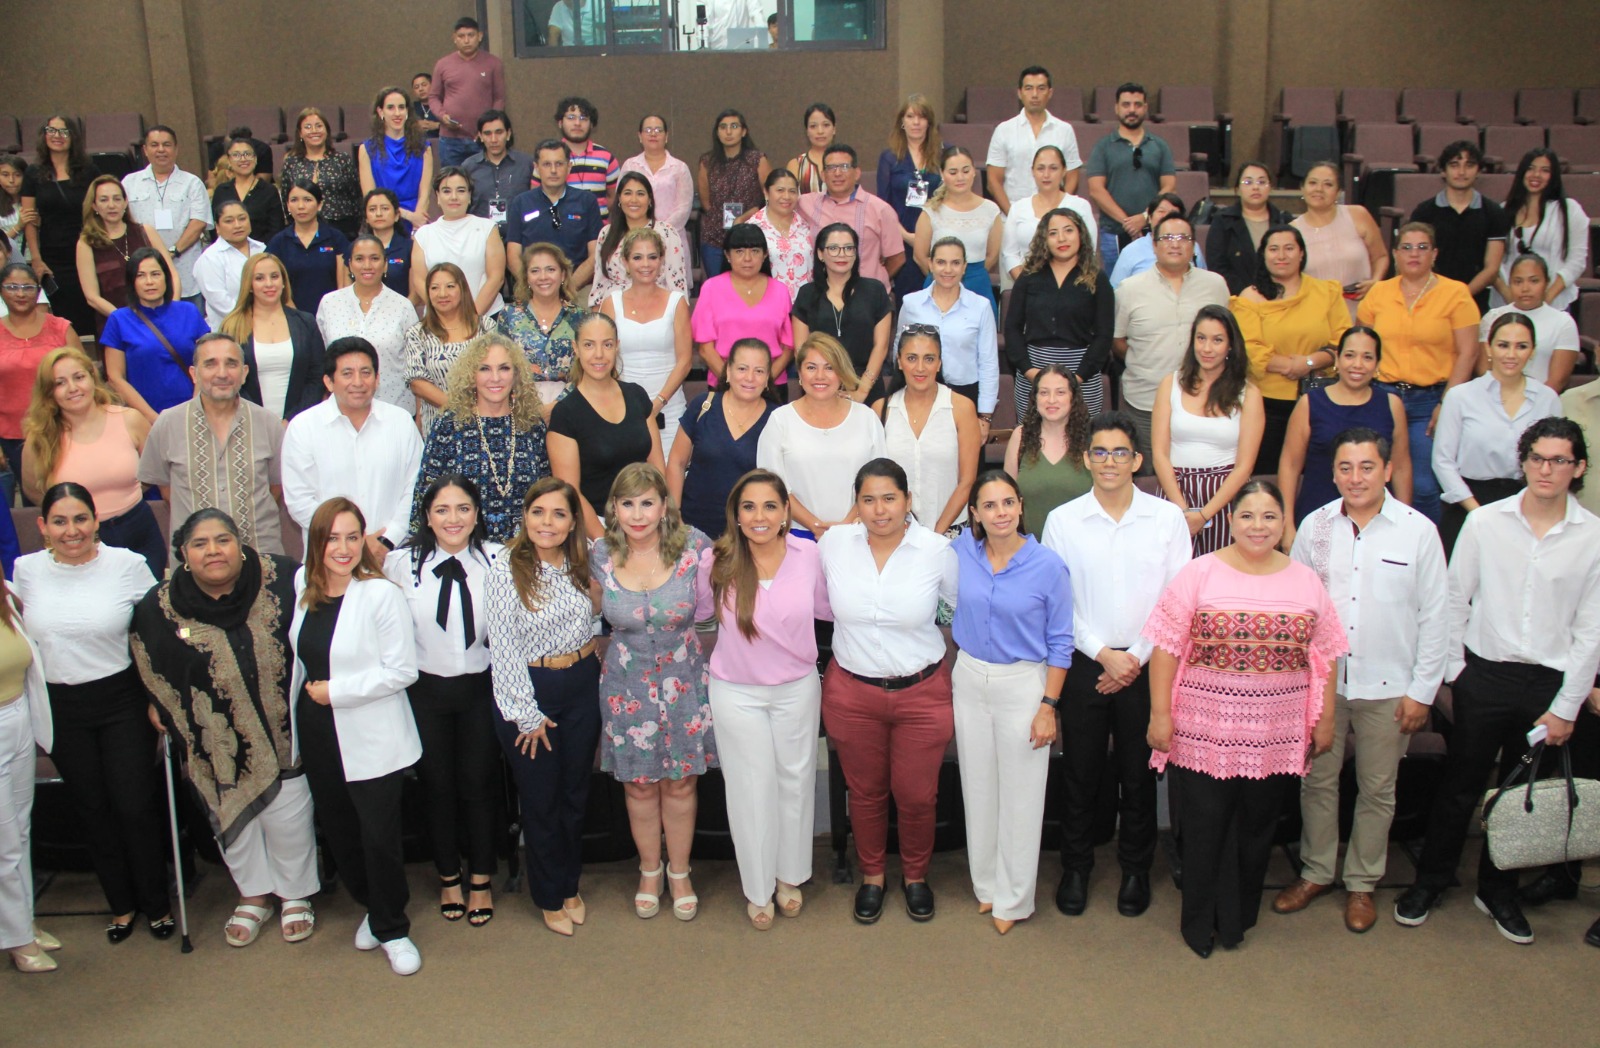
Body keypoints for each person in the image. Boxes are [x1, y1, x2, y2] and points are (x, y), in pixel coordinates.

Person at [1394, 418, 1600, 945]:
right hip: (1483, 676)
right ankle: (1432, 881)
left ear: (1577, 468)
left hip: (1548, 688)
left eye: (1559, 460)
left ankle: (1498, 890)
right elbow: (1455, 599)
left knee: (1521, 794)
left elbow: (1590, 631)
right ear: (1523, 461)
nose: (1546, 469)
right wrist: (1456, 672)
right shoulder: (1485, 523)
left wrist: (1567, 706)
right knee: (1459, 786)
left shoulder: (1593, 536)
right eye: (1537, 457)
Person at [1144, 480, 1346, 957]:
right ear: (1230, 521)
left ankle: (1235, 920)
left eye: (1269, 516)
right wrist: (1159, 715)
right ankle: (1199, 923)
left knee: (1257, 829)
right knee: (1205, 826)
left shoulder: (1305, 581)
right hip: (1203, 730)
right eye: (1248, 516)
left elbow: (1327, 654)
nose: (1259, 526)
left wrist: (1326, 718)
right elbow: (1166, 648)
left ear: (1282, 524)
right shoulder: (1199, 573)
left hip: (1275, 734)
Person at [1276, 429, 1449, 934]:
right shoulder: (1316, 526)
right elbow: (1299, 609)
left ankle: (1362, 883)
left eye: (1367, 467)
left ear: (1388, 470)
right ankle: (1315, 873)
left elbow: (1437, 617)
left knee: (1378, 788)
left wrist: (1422, 691)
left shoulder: (1417, 532)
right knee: (1318, 782)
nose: (1356, 477)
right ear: (1332, 474)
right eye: (1346, 468)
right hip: (1325, 686)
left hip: (1391, 685)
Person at [130, 510, 317, 947]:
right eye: (200, 544)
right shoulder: (160, 606)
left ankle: (294, 893)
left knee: (288, 812)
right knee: (232, 809)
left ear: (240, 543)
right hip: (215, 738)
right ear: (182, 554)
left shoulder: (282, 578)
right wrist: (157, 702)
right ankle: (252, 894)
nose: (213, 551)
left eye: (222, 540)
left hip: (283, 724)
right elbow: (148, 658)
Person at [1042, 410, 1190, 918]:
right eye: (1100, 452)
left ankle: (1135, 870)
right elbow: (1059, 603)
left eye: (1120, 452)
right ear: (1086, 459)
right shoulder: (1063, 521)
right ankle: (1076, 868)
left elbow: (1177, 601)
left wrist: (1135, 658)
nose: (1109, 461)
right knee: (1080, 772)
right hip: (1086, 662)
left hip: (1150, 664)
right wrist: (1105, 654)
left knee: (1139, 773)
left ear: (1138, 460)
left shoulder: (1166, 518)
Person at [13, 482, 169, 944]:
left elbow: (153, 635)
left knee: (134, 804)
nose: (71, 530)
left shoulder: (127, 565)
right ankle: (121, 905)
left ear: (96, 520)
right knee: (92, 807)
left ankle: (157, 903)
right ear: (43, 527)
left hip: (122, 700)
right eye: (59, 521)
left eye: (80, 518)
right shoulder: (26, 571)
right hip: (60, 706)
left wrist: (158, 697)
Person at [819, 457, 958, 923]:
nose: (880, 510)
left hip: (921, 693)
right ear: (855, 504)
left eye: (889, 498)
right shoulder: (834, 544)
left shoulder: (937, 551)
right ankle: (873, 875)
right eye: (868, 499)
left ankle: (916, 876)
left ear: (908, 501)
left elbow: (957, 611)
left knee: (917, 795)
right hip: (853, 693)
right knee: (866, 792)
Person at [290, 497, 422, 975]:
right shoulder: (304, 587)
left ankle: (393, 927)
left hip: (371, 729)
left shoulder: (379, 593)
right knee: (341, 831)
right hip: (320, 731)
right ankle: (371, 905)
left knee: (378, 836)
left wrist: (336, 692)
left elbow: (402, 671)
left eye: (352, 536)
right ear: (315, 543)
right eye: (332, 538)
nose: (343, 548)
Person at [695, 469, 829, 928]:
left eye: (770, 506)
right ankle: (757, 887)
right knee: (751, 790)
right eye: (748, 506)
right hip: (737, 692)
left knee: (795, 781)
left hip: (796, 688)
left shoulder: (809, 556)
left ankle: (790, 876)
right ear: (735, 513)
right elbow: (697, 615)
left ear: (786, 511)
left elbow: (830, 609)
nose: (759, 516)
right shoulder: (716, 561)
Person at [591, 463, 715, 920]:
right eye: (627, 503)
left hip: (682, 681)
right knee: (640, 786)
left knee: (681, 782)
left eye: (647, 502)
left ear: (665, 506)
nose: (638, 514)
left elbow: (716, 602)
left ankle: (679, 871)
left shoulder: (694, 547)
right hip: (627, 686)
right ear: (614, 509)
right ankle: (649, 869)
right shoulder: (599, 555)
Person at [951, 470, 1071, 933]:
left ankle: (1015, 900)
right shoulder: (962, 551)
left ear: (1020, 506)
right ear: (975, 514)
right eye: (989, 505)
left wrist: (1048, 706)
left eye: (1007, 503)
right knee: (978, 787)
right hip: (969, 677)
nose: (999, 513)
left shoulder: (1048, 565)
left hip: (1023, 683)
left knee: (1021, 795)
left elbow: (1061, 642)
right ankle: (987, 887)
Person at [385, 477, 503, 928]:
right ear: (427, 516)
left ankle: (480, 877)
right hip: (424, 692)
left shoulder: (498, 559)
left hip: (479, 688)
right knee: (436, 786)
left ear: (477, 513)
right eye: (442, 510)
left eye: (463, 509)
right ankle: (448, 875)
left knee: (478, 783)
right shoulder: (400, 564)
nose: (453, 519)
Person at [485, 477, 600, 935]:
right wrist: (526, 714)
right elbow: (504, 647)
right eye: (538, 512)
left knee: (575, 793)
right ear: (525, 516)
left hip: (582, 683)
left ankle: (570, 883)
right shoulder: (505, 567)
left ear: (572, 521)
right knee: (541, 799)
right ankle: (549, 894)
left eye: (558, 514)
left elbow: (594, 617)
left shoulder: (581, 563)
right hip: (529, 692)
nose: (546, 522)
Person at [1356, 221, 1481, 523]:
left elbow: (1468, 352)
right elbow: (1362, 347)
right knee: (1372, 479)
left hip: (1431, 401)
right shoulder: (1379, 293)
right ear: (1395, 253)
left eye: (1422, 247)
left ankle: (1425, 555)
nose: (1414, 254)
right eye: (1407, 247)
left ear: (1434, 253)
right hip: (1382, 397)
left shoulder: (1456, 293)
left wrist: (1447, 403)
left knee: (1425, 486)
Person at [138, 333, 287, 556]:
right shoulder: (168, 423)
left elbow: (277, 487)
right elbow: (160, 484)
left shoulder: (269, 424)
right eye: (210, 364)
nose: (222, 373)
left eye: (231, 363)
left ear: (244, 373)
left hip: (259, 555)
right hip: (195, 564)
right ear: (194, 374)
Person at [21, 349, 164, 574]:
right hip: (77, 542)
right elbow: (35, 492)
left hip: (138, 532)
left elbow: (153, 473)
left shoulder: (130, 419)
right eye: (60, 383)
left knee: (148, 606)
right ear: (49, 392)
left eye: (79, 377)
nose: (73, 388)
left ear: (92, 377)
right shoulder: (39, 440)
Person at [1433, 312, 1562, 555]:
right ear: (1489, 348)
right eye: (1503, 345)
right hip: (1469, 505)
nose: (1511, 355)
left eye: (1521, 346)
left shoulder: (1548, 399)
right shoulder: (1461, 396)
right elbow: (1442, 461)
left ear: (1532, 351)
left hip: (1527, 506)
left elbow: (1554, 459)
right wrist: (1476, 511)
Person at [282, 338, 424, 555]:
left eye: (366, 373)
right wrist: (349, 542)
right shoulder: (303, 427)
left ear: (377, 379)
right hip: (329, 558)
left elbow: (416, 488)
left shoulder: (401, 422)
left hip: (393, 556)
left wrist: (387, 540)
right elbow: (299, 500)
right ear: (329, 382)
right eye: (347, 373)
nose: (358, 382)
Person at [1231, 223, 1352, 470]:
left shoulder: (1326, 292)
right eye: (1273, 249)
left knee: (1320, 470)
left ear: (1302, 253)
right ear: (1263, 255)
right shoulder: (1250, 297)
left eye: (1289, 248)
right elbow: (1248, 349)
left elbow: (1344, 341)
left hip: (1320, 396)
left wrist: (1308, 363)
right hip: (1267, 403)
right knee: (1268, 473)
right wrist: (1290, 366)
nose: (1281, 255)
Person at [1114, 212, 1231, 463]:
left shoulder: (1216, 286)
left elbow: (1226, 339)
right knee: (1145, 476)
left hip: (1202, 402)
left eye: (1183, 237)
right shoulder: (1129, 289)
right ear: (1154, 245)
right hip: (1145, 401)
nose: (1175, 244)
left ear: (1193, 245)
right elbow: (1118, 341)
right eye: (1167, 237)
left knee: (1194, 471)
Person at [1151, 305, 1266, 555]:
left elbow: (1245, 465)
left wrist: (1204, 515)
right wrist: (1182, 510)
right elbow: (1159, 454)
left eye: (1217, 340)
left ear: (1231, 346)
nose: (1207, 348)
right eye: (1201, 338)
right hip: (1176, 492)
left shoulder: (1250, 394)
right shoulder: (1170, 384)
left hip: (1225, 497)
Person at [414, 333, 549, 541]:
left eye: (504, 368)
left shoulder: (531, 425)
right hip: (463, 550)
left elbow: (546, 494)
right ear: (471, 375)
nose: (495, 377)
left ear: (516, 374)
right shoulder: (449, 425)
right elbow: (425, 493)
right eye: (484, 368)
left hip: (524, 550)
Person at [1279, 327, 1411, 531]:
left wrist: (1404, 521)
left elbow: (1401, 467)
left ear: (1377, 364)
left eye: (1367, 357)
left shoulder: (1391, 405)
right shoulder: (1309, 404)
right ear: (1338, 360)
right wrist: (1287, 526)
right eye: (1350, 355)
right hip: (1318, 515)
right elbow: (1290, 466)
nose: (1357, 364)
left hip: (1378, 519)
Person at [757, 333, 886, 538]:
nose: (820, 376)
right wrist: (813, 525)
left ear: (841, 372)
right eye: (811, 367)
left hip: (858, 533)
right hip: (796, 537)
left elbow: (879, 481)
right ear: (799, 372)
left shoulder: (867, 418)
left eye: (829, 367)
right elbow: (772, 486)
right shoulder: (779, 420)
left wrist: (846, 525)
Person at [547, 312, 664, 538]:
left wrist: (658, 521)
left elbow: (657, 468)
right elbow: (570, 492)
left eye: (607, 344)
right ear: (576, 348)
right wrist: (604, 544)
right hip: (597, 527)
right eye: (589, 345)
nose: (599, 355)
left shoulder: (637, 395)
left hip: (647, 522)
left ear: (617, 347)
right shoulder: (566, 414)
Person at [1006, 208, 1113, 418]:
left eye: (1068, 230)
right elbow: (1012, 328)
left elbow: (1104, 335)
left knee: (1079, 444)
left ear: (1081, 234)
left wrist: (1077, 377)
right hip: (1033, 373)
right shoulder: (1028, 277)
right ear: (1044, 239)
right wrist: (1030, 372)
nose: (1061, 238)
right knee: (1033, 443)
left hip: (1082, 374)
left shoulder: (1097, 279)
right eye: (1053, 233)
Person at [0, 568, 55, 971]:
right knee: (3, 845)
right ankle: (16, 940)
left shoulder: (6, 598)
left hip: (17, 720)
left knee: (21, 828)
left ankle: (24, 922)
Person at [667, 339, 775, 538]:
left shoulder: (777, 419)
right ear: (728, 371)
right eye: (742, 368)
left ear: (767, 377)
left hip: (750, 536)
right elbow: (676, 462)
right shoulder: (703, 405)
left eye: (759, 371)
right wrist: (674, 516)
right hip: (693, 530)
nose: (750, 377)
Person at [876, 327, 981, 533]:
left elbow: (967, 481)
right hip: (895, 534)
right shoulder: (881, 409)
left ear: (940, 363)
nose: (920, 367)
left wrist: (936, 535)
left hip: (950, 532)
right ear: (899, 361)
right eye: (912, 358)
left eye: (929, 359)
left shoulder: (961, 407)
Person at [597, 228, 691, 453]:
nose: (645, 264)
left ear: (661, 261)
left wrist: (657, 404)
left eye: (652, 257)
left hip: (669, 410)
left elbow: (685, 361)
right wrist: (626, 404)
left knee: (669, 482)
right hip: (621, 410)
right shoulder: (611, 303)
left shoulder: (677, 302)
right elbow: (602, 359)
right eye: (637, 257)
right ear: (625, 262)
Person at [317, 234, 420, 416]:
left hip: (395, 409)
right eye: (359, 259)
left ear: (385, 264)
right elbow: (322, 357)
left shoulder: (403, 306)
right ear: (349, 264)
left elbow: (416, 366)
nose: (367, 266)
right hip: (342, 411)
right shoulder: (329, 303)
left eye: (374, 258)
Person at [99, 248, 207, 421]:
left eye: (155, 274)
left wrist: (195, 407)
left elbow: (207, 362)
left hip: (194, 413)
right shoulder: (119, 320)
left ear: (166, 277)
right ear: (131, 282)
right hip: (145, 418)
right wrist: (152, 418)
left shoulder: (189, 311)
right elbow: (115, 378)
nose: (149, 282)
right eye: (141, 275)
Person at [899, 239, 999, 421]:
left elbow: (988, 363)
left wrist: (985, 416)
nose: (948, 270)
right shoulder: (911, 303)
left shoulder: (981, 307)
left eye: (955, 263)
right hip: (920, 393)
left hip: (966, 394)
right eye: (941, 262)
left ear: (964, 267)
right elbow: (899, 350)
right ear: (930, 264)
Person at [220, 253, 327, 421]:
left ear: (284, 282)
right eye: (260, 278)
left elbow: (316, 376)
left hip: (299, 423)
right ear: (249, 285)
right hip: (248, 422)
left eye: (275, 276)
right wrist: (261, 421)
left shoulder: (305, 322)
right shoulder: (232, 326)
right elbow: (228, 378)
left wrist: (291, 420)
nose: (269, 284)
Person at [0, 263, 83, 479]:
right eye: (12, 287)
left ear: (38, 292)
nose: (20, 293)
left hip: (63, 429)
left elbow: (86, 377)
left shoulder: (61, 329)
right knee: (31, 504)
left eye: (28, 287)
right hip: (11, 437)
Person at [19, 115, 99, 333]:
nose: (57, 136)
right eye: (52, 130)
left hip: (86, 250)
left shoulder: (88, 171)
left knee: (91, 312)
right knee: (63, 319)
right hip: (53, 258)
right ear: (44, 135)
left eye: (64, 132)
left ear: (73, 137)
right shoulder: (33, 173)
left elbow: (98, 209)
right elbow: (29, 219)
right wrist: (36, 259)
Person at [791, 224, 891, 398]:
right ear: (821, 254)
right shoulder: (807, 293)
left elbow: (881, 346)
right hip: (819, 385)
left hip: (865, 385)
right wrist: (815, 384)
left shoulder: (875, 290)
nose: (842, 254)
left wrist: (862, 391)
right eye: (834, 248)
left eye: (848, 248)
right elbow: (801, 349)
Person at [1408, 140, 1509, 313]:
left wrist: (1461, 296)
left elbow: (1491, 268)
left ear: (1478, 171)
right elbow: (1416, 258)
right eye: (1454, 165)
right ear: (1443, 171)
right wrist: (1440, 295)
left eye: (1469, 165)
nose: (1461, 172)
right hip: (1430, 299)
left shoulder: (1494, 212)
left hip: (1476, 302)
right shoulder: (1424, 212)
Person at [692, 223, 795, 390]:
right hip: (724, 384)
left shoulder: (780, 291)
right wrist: (733, 384)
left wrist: (764, 383)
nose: (747, 258)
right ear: (727, 255)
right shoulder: (711, 288)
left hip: (771, 386)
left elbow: (788, 347)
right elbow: (705, 348)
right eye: (739, 251)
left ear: (765, 255)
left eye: (755, 251)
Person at [1085, 83, 1176, 270]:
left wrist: (1145, 217)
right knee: (1117, 289)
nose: (1132, 110)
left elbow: (1169, 186)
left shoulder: (1159, 146)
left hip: (1153, 232)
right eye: (1126, 105)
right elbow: (1096, 190)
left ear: (1145, 108)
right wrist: (1128, 222)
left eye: (1137, 104)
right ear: (1116, 108)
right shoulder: (1103, 146)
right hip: (1113, 233)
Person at [123, 125, 211, 310]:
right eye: (154, 145)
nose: (161, 150)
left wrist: (171, 252)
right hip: (143, 273)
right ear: (145, 150)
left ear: (176, 149)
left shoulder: (192, 183)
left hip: (185, 271)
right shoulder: (129, 183)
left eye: (166, 145)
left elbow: (198, 223)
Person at [1492, 148, 1590, 313]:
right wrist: (1510, 296)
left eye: (1545, 170)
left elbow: (1577, 261)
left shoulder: (1569, 210)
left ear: (1553, 176)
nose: (1536, 175)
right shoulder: (1503, 211)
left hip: (1553, 303)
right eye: (1531, 168)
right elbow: (1492, 261)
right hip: (1507, 304)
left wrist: (1547, 297)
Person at [74, 174, 172, 338]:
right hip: (117, 324)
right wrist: (127, 320)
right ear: (94, 206)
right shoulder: (86, 243)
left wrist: (171, 310)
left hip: (158, 318)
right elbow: (92, 297)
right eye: (104, 200)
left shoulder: (145, 232)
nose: (111, 205)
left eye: (117, 199)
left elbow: (171, 275)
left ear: (125, 202)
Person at [798, 145, 905, 290]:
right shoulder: (805, 203)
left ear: (857, 172)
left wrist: (875, 283)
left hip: (868, 299)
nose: (837, 173)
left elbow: (897, 258)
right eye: (831, 168)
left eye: (844, 166)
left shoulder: (880, 209)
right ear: (823, 175)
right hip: (822, 297)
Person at [1005, 366, 1094, 534]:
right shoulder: (1020, 437)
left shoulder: (1091, 439)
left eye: (1060, 392)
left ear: (1073, 397)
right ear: (1035, 398)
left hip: (1081, 550)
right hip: (1030, 550)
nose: (1051, 400)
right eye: (1044, 393)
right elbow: (1007, 499)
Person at [1291, 162, 1387, 317]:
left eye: (1328, 184)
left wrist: (1375, 282)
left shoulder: (1358, 215)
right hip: (1315, 317)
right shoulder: (1292, 231)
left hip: (1363, 312)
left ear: (1338, 192)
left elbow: (1380, 256)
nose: (1319, 189)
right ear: (1302, 188)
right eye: (1312, 183)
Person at [405, 262, 492, 433]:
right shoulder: (417, 333)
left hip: (485, 424)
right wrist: (464, 409)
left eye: (450, 286)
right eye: (435, 288)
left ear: (462, 289)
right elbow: (417, 382)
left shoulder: (487, 328)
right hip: (439, 428)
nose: (442, 294)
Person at [913, 147, 1001, 314]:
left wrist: (968, 274)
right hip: (939, 286)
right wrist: (945, 277)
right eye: (953, 172)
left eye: (965, 171)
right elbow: (920, 256)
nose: (960, 177)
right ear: (942, 173)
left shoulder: (991, 210)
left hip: (978, 285)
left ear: (974, 172)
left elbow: (992, 256)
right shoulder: (931, 211)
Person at [580, 171, 689, 304]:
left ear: (649, 200)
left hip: (656, 309)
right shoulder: (606, 233)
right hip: (613, 310)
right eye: (627, 193)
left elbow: (677, 286)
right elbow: (600, 284)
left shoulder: (667, 233)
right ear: (619, 198)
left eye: (640, 194)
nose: (633, 200)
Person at [504, 141, 603, 287]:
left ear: (569, 167)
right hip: (532, 287)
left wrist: (568, 288)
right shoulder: (521, 202)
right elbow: (513, 255)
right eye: (546, 164)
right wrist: (533, 286)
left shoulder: (587, 202)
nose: (553, 170)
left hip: (578, 288)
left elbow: (595, 255)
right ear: (536, 168)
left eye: (559, 164)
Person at [985, 65, 1082, 214]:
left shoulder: (1064, 130)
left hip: (1055, 218)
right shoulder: (1003, 130)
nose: (1035, 94)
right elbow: (993, 181)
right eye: (1029, 88)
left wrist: (1057, 212)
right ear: (1019, 93)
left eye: (1041, 88)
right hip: (1013, 214)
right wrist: (1012, 214)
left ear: (1050, 93)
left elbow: (1072, 177)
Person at [1000, 145, 1097, 293]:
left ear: (1064, 170)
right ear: (1032, 171)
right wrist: (1027, 285)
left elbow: (1089, 250)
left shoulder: (1080, 206)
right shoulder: (1018, 208)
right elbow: (1010, 254)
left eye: (1053, 168)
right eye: (1040, 168)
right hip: (1028, 288)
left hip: (1072, 288)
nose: (1046, 175)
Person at [410, 167, 505, 317]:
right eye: (447, 191)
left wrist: (472, 317)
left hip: (485, 316)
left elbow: (496, 277)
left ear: (469, 196)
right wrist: (444, 315)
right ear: (438, 196)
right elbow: (420, 280)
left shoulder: (487, 228)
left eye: (461, 191)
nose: (454, 197)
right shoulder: (424, 234)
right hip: (439, 320)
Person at [497, 242, 585, 403]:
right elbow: (500, 365)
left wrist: (556, 407)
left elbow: (586, 368)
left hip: (570, 405)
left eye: (550, 269)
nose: (543, 277)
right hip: (521, 405)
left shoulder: (579, 317)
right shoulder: (509, 316)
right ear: (526, 277)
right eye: (535, 271)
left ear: (563, 275)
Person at [877, 94, 944, 304]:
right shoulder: (889, 157)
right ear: (902, 122)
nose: (916, 122)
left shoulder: (943, 153)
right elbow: (883, 206)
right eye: (910, 116)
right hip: (901, 241)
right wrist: (907, 236)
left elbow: (949, 196)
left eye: (922, 117)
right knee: (910, 303)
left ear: (929, 122)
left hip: (937, 238)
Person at [1481, 254, 1580, 390]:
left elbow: (1558, 380)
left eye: (1534, 281)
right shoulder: (1492, 317)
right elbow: (1484, 372)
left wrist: (1532, 404)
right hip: (1493, 401)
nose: (1525, 288)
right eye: (1518, 281)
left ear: (1546, 283)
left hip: (1542, 403)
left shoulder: (1563, 322)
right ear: (1510, 283)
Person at [697, 110, 771, 278]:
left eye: (734, 126)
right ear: (717, 132)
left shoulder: (757, 159)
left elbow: (770, 197)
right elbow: (705, 202)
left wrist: (747, 215)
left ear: (744, 131)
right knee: (718, 288)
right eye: (723, 127)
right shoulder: (707, 162)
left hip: (749, 235)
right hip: (714, 238)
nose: (728, 132)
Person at [428, 16, 507, 169]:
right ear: (454, 39)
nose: (466, 40)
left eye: (471, 35)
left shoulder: (493, 63)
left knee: (483, 184)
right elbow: (433, 97)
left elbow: (499, 99)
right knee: (451, 184)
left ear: (480, 36)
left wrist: (489, 129)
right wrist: (441, 115)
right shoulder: (442, 64)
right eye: (461, 36)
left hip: (481, 138)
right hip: (450, 139)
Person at [265, 180, 352, 317]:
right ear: (287, 206)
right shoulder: (279, 242)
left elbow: (344, 285)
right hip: (291, 316)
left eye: (307, 200)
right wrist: (298, 318)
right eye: (294, 200)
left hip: (333, 314)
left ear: (319, 205)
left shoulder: (336, 238)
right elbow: (272, 284)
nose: (301, 206)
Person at [1205, 163, 1291, 295]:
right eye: (1248, 182)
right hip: (1237, 298)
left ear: (1270, 188)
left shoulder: (1283, 221)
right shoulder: (1223, 221)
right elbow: (1217, 266)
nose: (1255, 187)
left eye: (1262, 182)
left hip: (1280, 296)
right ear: (1237, 189)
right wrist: (1246, 292)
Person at [279, 108, 363, 239]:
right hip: (304, 231)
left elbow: (356, 197)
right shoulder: (291, 163)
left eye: (318, 126)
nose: (314, 131)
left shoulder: (342, 160)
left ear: (327, 131)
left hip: (342, 229)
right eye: (308, 127)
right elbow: (286, 199)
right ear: (300, 133)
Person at [358, 87, 434, 229]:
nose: (397, 113)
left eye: (401, 107)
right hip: (383, 219)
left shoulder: (424, 148)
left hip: (417, 220)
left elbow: (425, 194)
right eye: (391, 108)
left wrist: (417, 220)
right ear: (381, 112)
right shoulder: (367, 149)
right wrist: (407, 216)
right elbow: (370, 199)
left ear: (407, 112)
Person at [620, 115, 694, 252]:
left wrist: (658, 232)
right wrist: (641, 232)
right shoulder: (630, 165)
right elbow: (622, 201)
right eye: (648, 130)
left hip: (672, 238)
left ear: (666, 136)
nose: (653, 134)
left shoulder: (679, 168)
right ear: (640, 136)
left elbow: (683, 209)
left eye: (658, 130)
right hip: (634, 237)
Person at [1107, 193, 1209, 289]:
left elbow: (1202, 281)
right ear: (1150, 218)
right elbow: (1116, 289)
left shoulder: (1192, 246)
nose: (1166, 217)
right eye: (1161, 211)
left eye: (1173, 213)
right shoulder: (1131, 251)